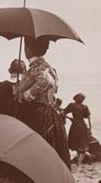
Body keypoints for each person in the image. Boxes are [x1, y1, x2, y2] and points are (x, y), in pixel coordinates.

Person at [16, 37, 70, 167]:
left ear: (29, 49)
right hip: (50, 115)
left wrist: (27, 95)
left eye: (26, 46)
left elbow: (45, 81)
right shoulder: (50, 68)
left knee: (37, 155)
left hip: (38, 116)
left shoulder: (38, 66)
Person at [64, 93, 92, 165]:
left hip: (75, 125)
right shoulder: (85, 106)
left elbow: (64, 112)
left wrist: (70, 118)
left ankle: (78, 162)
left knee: (77, 144)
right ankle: (79, 162)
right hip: (82, 126)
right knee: (82, 145)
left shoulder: (72, 105)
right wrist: (90, 127)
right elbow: (88, 117)